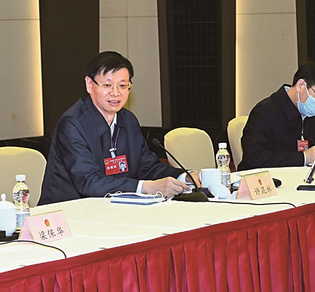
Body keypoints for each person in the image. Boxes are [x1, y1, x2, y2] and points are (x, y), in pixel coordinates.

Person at [38, 51, 197, 205]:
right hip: (66, 212)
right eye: (107, 85)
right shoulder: (72, 124)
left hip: (112, 209)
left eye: (122, 85)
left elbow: (148, 168)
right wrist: (145, 187)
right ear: (89, 84)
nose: (115, 93)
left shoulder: (128, 120)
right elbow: (89, 182)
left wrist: (186, 177)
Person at [238, 60, 315, 170]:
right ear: (301, 85)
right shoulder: (265, 111)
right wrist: (303, 157)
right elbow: (255, 156)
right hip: (262, 178)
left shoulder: (310, 113)